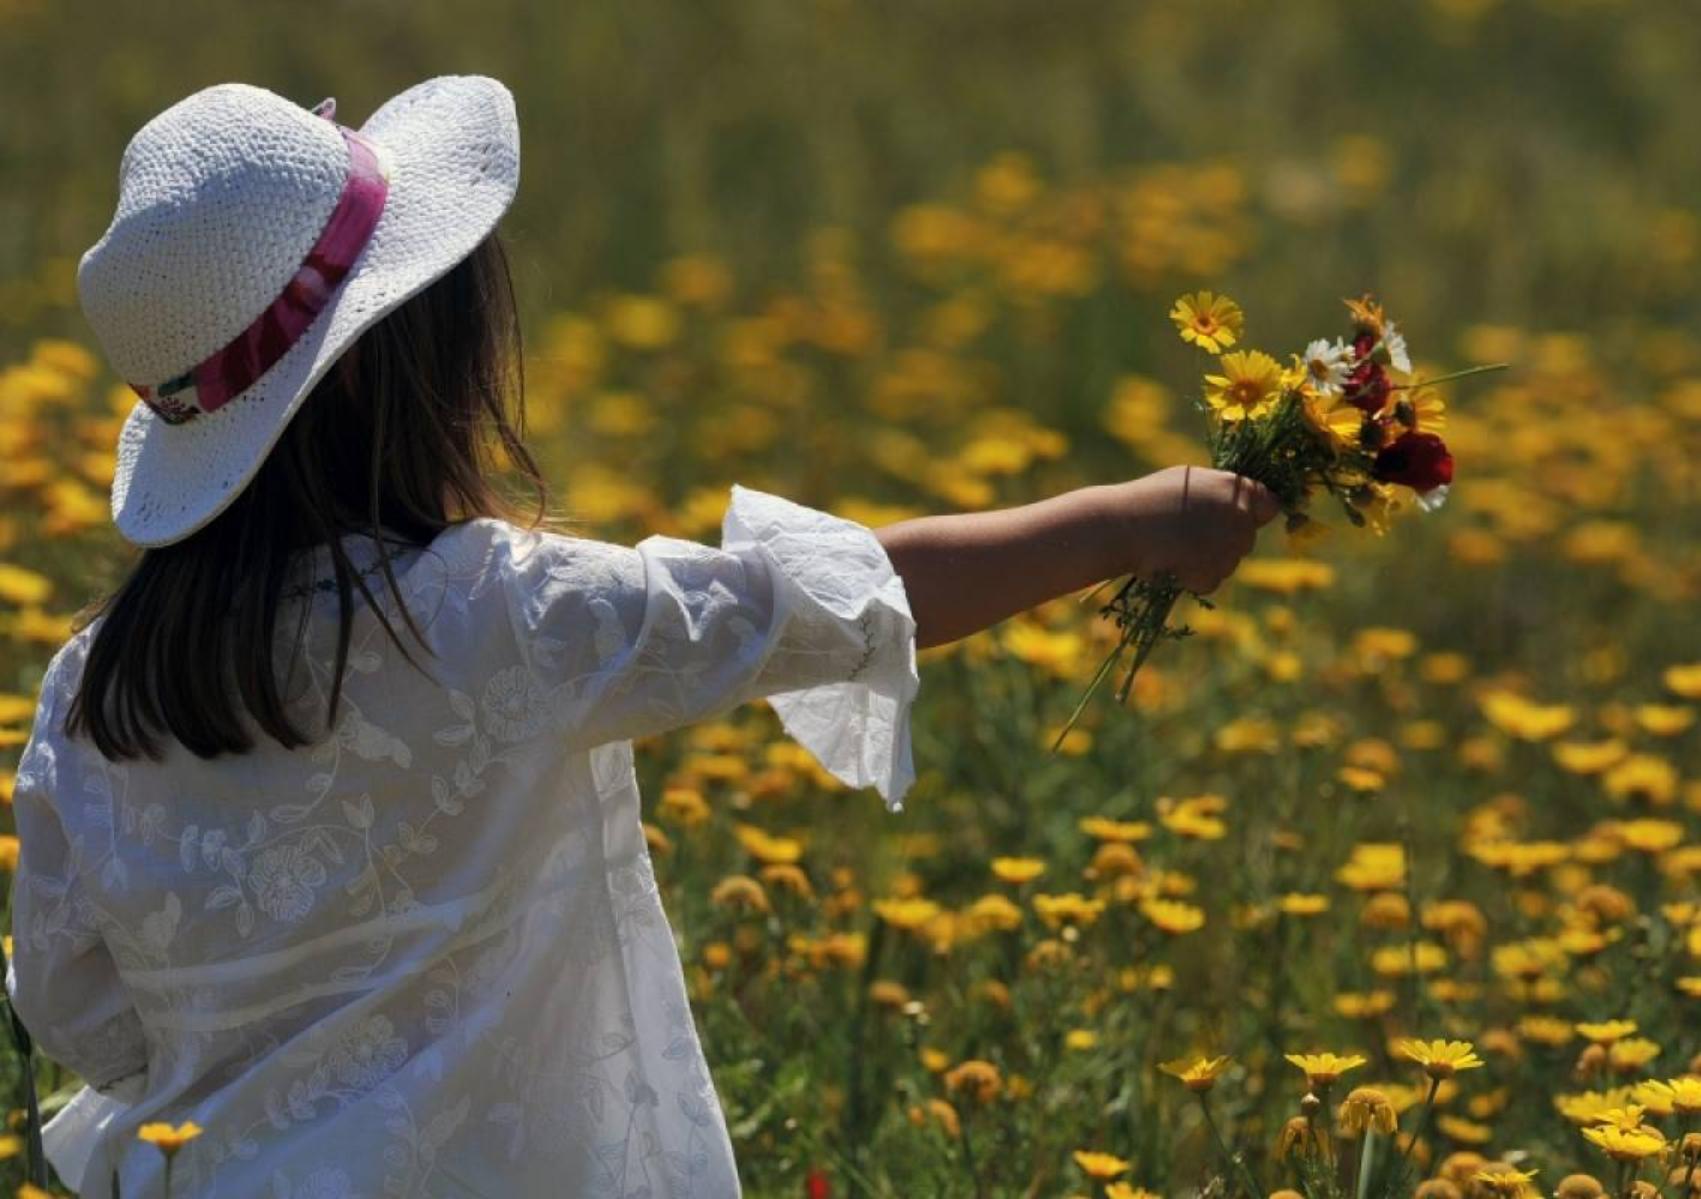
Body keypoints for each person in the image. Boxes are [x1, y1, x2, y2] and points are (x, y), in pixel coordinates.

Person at [5, 76, 1278, 1197]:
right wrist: (1130, 522)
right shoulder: (502, 613)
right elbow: (834, 598)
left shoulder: (88, 693)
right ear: (405, 371)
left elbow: (77, 1011)